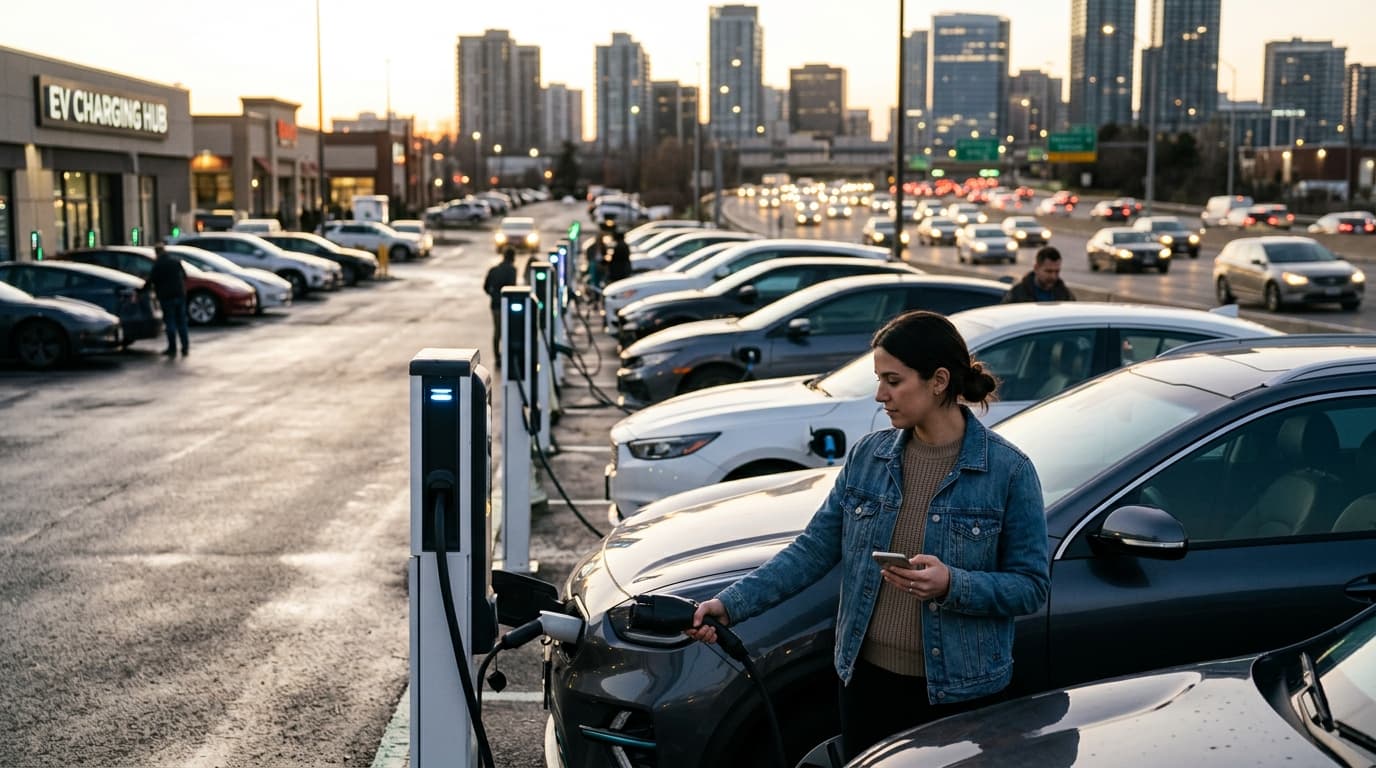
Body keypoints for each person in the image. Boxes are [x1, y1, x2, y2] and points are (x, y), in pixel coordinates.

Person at [687, 310, 1050, 761]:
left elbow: (1031, 587)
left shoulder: (1008, 471)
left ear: (938, 381)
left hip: (960, 695)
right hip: (865, 684)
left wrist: (954, 585)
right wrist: (731, 604)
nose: (880, 395)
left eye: (893, 381)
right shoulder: (868, 457)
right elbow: (813, 549)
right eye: (880, 380)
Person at [146, 244, 189, 357]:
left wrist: (141, 290)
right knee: (181, 322)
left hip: (166, 296)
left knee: (170, 322)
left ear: (157, 253)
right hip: (179, 294)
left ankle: (172, 348)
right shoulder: (175, 261)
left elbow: (151, 280)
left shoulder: (158, 265)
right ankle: (185, 347)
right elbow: (185, 276)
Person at [482, 247, 518, 367]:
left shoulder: (493, 270)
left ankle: (497, 356)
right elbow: (512, 287)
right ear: (512, 258)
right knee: (508, 331)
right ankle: (507, 355)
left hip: (495, 305)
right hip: (507, 305)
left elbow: (486, 287)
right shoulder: (512, 270)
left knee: (497, 331)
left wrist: (493, 295)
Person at [1004, 246, 1075, 303]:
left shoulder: (1065, 295)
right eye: (1048, 271)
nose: (1053, 276)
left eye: (1057, 271)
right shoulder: (1017, 293)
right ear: (1036, 268)